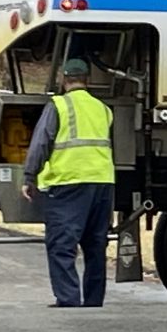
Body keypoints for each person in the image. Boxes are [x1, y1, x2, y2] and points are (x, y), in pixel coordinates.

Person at [22, 58, 115, 307]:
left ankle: (69, 300)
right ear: (88, 80)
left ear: (64, 80)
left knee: (62, 245)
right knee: (96, 246)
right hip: (102, 183)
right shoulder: (103, 109)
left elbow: (41, 143)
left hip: (69, 183)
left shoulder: (58, 105)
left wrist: (30, 175)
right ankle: (94, 302)